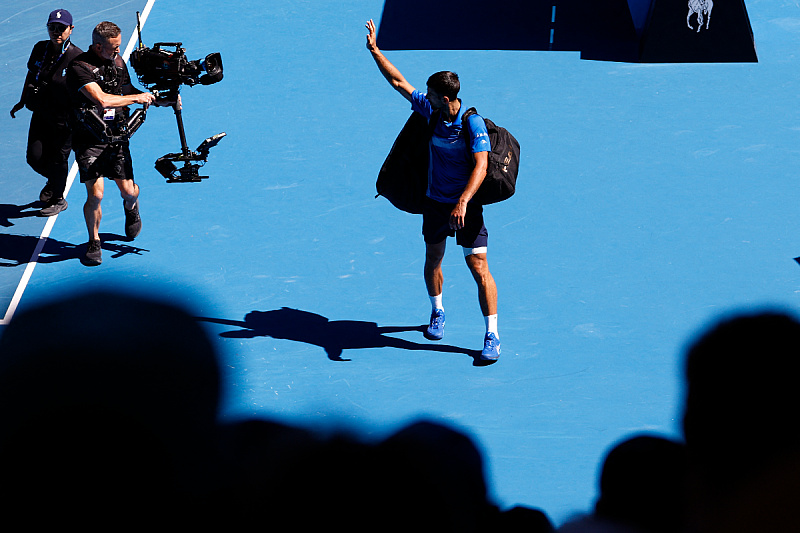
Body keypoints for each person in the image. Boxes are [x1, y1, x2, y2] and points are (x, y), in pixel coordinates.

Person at [365, 19, 501, 361]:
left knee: (479, 269)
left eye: (429, 94)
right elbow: (399, 83)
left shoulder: (473, 123)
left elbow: (482, 167)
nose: (423, 96)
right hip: (435, 205)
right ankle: (437, 312)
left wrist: (463, 202)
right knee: (433, 259)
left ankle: (492, 335)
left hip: (465, 208)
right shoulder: (431, 113)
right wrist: (375, 51)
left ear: (445, 98)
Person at [65, 21, 166, 266]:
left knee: (128, 191)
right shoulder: (79, 67)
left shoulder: (118, 63)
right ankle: (94, 241)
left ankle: (132, 208)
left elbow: (128, 89)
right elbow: (102, 100)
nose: (118, 52)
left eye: (119, 46)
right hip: (89, 137)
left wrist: (160, 98)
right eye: (113, 48)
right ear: (98, 47)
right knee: (96, 194)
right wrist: (134, 97)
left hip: (117, 135)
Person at [10, 9, 82, 217]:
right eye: (52, 27)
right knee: (34, 158)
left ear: (71, 29)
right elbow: (31, 75)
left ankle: (58, 198)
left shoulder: (77, 58)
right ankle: (54, 181)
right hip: (41, 113)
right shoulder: (40, 48)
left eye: (61, 28)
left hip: (65, 120)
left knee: (59, 160)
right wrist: (23, 100)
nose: (56, 32)